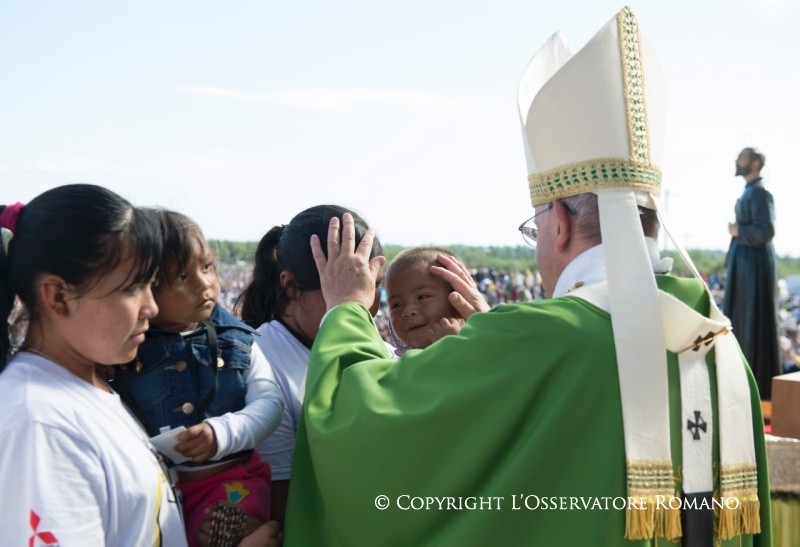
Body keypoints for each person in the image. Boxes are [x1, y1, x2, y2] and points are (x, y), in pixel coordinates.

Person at [284, 8, 771, 546]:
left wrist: (347, 310)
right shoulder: (722, 349)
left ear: (558, 224)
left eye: (533, 228)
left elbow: (358, 423)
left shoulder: (531, 338)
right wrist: (497, 344)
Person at [0, 185, 187, 546]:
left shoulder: (77, 391)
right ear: (58, 296)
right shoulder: (38, 423)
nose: (151, 308)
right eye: (133, 288)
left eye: (151, 284)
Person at [110, 209, 284, 547]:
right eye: (181, 277)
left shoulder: (238, 337)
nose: (204, 283)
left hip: (233, 481)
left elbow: (269, 403)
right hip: (162, 487)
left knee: (222, 534)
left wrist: (223, 434)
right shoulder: (124, 348)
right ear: (145, 288)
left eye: (206, 267)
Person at [234, 204, 384, 525]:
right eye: (345, 292)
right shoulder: (259, 359)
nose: (364, 309)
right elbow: (282, 504)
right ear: (290, 286)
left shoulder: (377, 346)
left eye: (371, 290)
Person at [723, 147, 780, 400]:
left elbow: (765, 231)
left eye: (742, 156)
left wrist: (738, 232)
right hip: (746, 271)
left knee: (753, 323)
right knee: (741, 323)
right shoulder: (749, 191)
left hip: (754, 273)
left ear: (755, 163)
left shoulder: (761, 192)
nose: (737, 160)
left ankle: (755, 392)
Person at [385, 246, 469, 352]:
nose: (408, 311)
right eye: (396, 305)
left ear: (458, 301)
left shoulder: (478, 345)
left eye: (422, 297)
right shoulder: (395, 362)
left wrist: (454, 348)